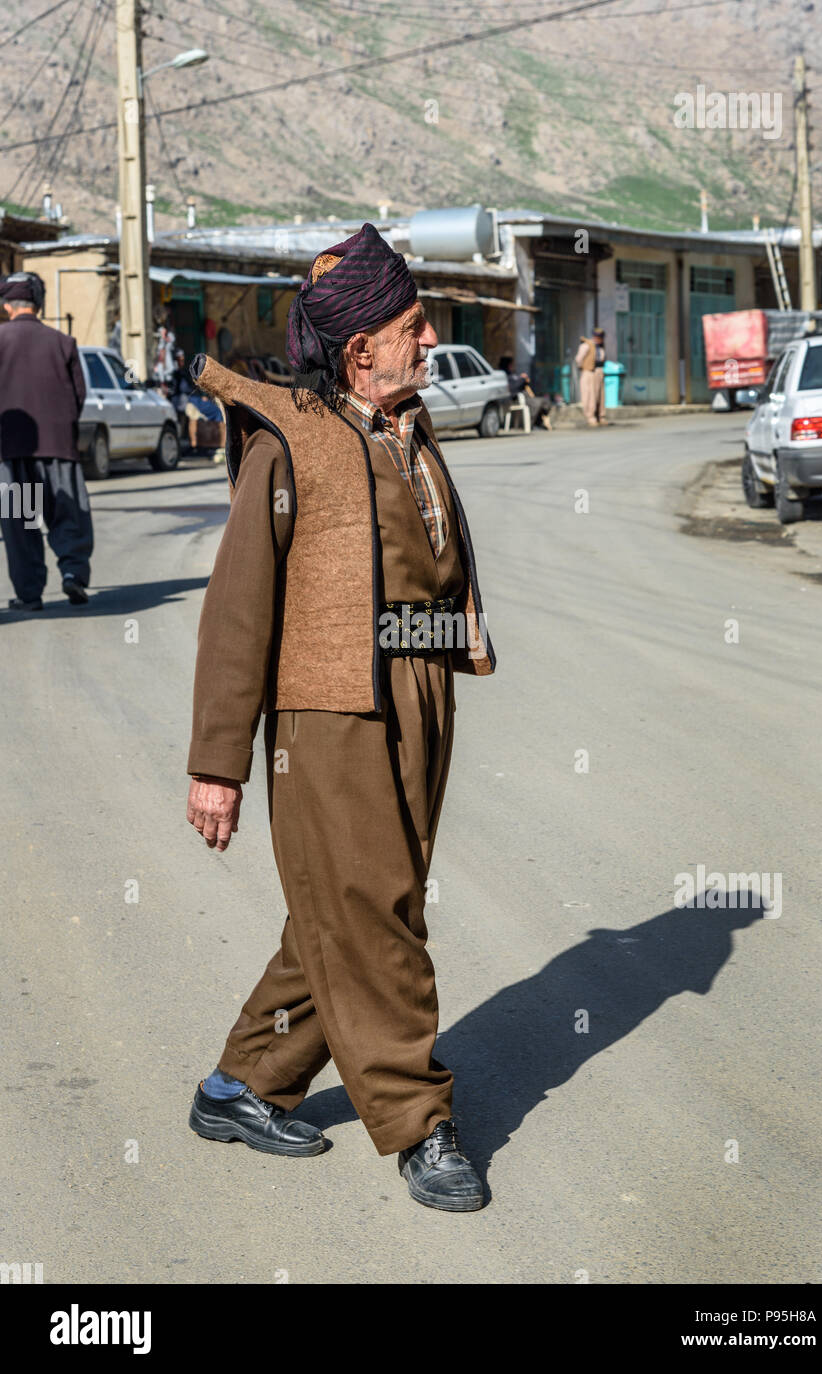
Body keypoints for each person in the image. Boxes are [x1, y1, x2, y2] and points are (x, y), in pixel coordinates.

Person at [185, 223, 496, 1212]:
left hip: (415, 693)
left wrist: (457, 641)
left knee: (353, 910)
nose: (428, 335)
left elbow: (440, 554)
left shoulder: (406, 421)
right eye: (413, 325)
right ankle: (417, 1122)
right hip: (328, 711)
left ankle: (242, 1083)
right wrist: (217, 763)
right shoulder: (292, 443)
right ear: (360, 348)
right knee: (372, 916)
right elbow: (239, 609)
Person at [0, 271, 92, 611]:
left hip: (14, 451)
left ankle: (29, 594)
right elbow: (79, 394)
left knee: (22, 524)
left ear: (7, 304)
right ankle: (73, 574)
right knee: (69, 514)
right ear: (37, 304)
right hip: (59, 448)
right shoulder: (63, 342)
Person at [499, 354, 552, 429]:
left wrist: (522, 379)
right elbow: (513, 387)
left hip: (523, 398)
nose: (513, 366)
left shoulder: (511, 374)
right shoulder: (504, 375)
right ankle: (532, 424)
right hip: (517, 399)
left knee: (544, 402)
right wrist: (522, 379)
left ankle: (538, 423)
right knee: (537, 404)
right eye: (511, 364)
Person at [575, 326, 608, 426]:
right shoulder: (586, 345)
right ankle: (590, 416)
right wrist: (584, 368)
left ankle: (600, 416)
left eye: (600, 337)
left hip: (599, 371)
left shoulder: (601, 346)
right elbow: (578, 359)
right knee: (590, 395)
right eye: (597, 337)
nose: (599, 339)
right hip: (589, 371)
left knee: (600, 395)